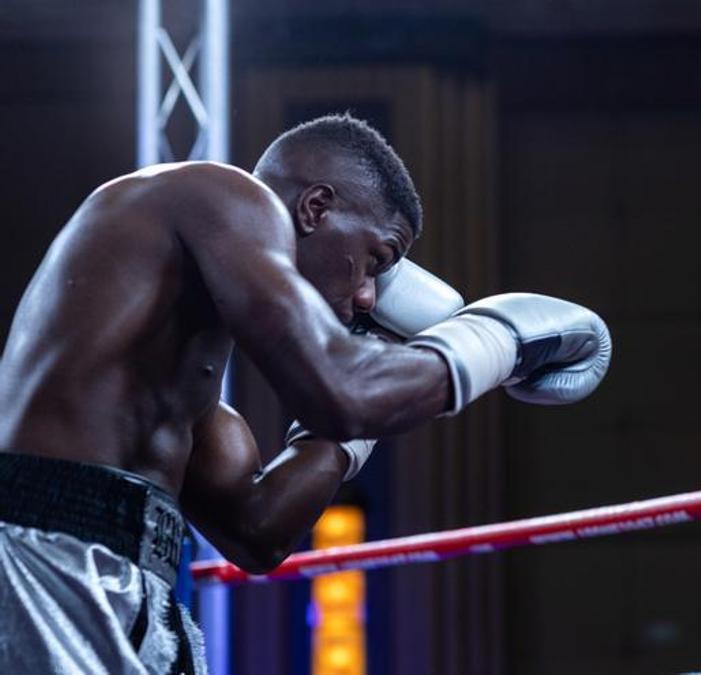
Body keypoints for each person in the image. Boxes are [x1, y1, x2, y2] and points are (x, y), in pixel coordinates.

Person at [0, 113, 611, 673]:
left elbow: (260, 531)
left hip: (118, 584)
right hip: (46, 566)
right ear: (316, 207)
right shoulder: (218, 192)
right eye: (377, 257)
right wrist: (496, 339)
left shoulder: (179, 382)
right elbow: (341, 392)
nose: (370, 295)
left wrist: (385, 376)